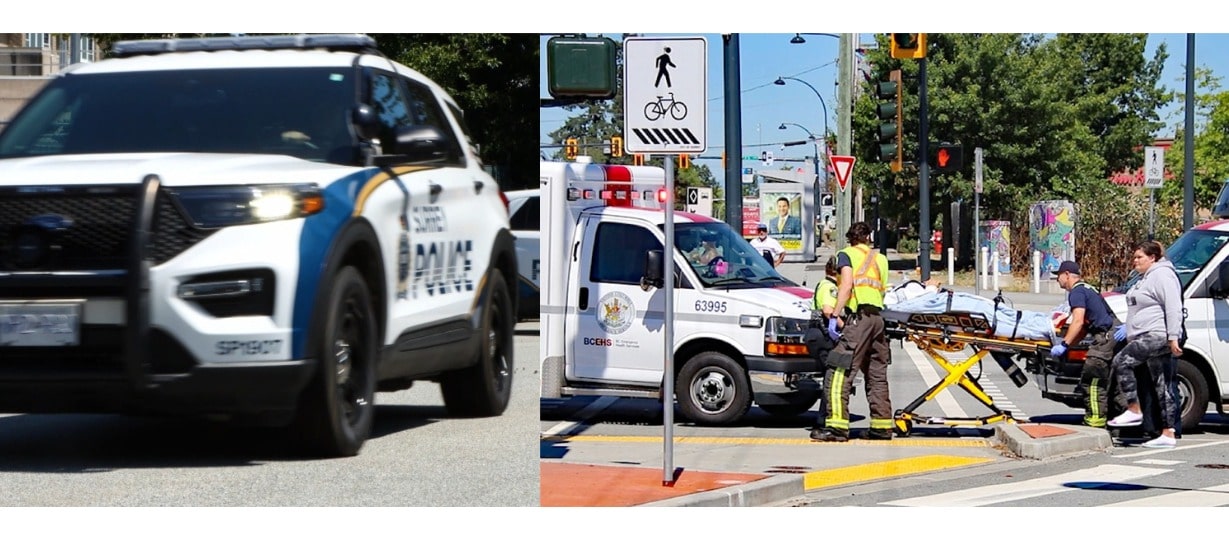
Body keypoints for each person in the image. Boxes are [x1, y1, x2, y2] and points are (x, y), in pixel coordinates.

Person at [812, 222, 893, 442]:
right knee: (876, 372)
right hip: (878, 318)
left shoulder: (845, 255)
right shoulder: (881, 259)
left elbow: (846, 285)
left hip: (858, 317)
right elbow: (883, 290)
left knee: (839, 369)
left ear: (850, 239)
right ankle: (882, 426)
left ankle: (837, 427)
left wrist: (837, 313)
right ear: (868, 237)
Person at [1107, 240, 1184, 448]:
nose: (1135, 261)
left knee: (1121, 361)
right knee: (1162, 384)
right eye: (1134, 257)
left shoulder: (1162, 275)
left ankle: (1133, 409)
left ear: (1153, 258)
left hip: (1155, 334)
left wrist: (1173, 336)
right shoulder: (1145, 278)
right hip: (1146, 334)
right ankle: (1168, 433)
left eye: (1139, 257)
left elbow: (1173, 306)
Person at [1052, 260, 1120, 428]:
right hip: (1110, 334)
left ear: (1067, 275)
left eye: (1058, 276)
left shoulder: (1076, 292)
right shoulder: (1086, 288)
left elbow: (1078, 321)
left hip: (1104, 337)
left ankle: (1095, 421)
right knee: (1111, 381)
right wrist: (1068, 346)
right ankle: (1114, 420)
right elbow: (1082, 329)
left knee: (1093, 378)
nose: (1057, 280)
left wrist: (1064, 344)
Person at [805, 256, 841, 432]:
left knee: (831, 374)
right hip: (822, 335)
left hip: (816, 334)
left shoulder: (825, 284)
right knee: (832, 376)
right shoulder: (830, 287)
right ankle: (825, 417)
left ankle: (825, 415)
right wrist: (845, 325)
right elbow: (828, 311)